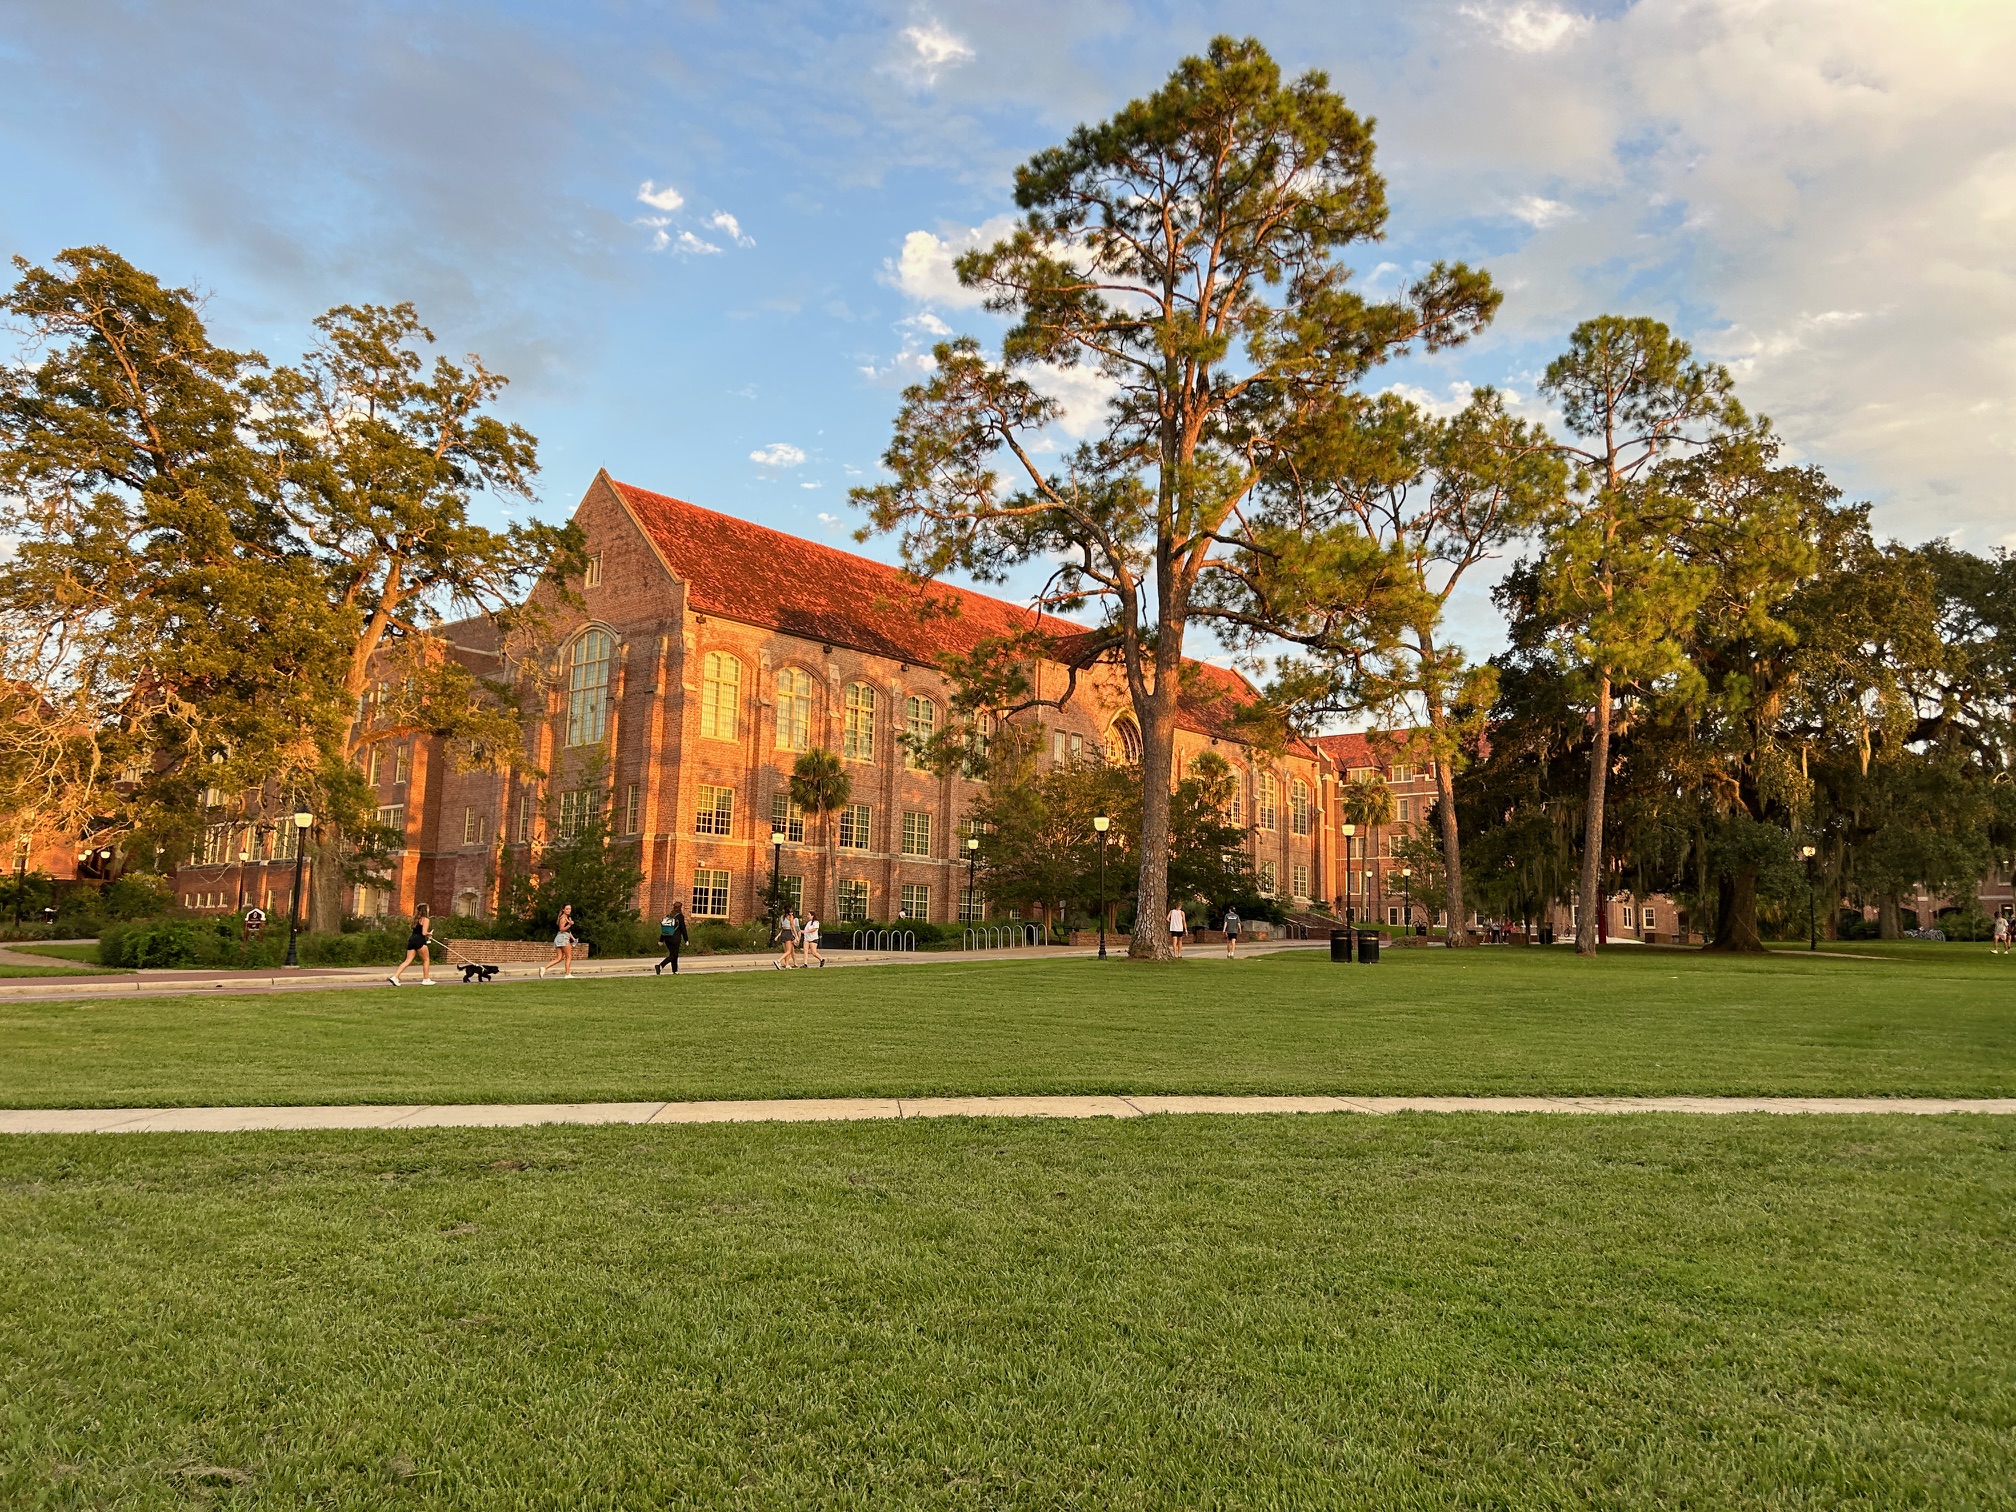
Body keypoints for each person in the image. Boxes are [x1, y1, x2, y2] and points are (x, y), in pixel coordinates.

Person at [388, 904, 436, 986]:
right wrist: (429, 934)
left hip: (412, 939)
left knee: (408, 960)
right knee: (426, 959)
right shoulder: (426, 919)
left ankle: (395, 977)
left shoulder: (415, 919)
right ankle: (426, 979)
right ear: (425, 910)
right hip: (420, 940)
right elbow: (424, 932)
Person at [539, 904, 576, 979]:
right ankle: (567, 974)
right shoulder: (563, 918)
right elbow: (562, 929)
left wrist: (573, 939)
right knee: (569, 956)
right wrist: (569, 924)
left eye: (570, 909)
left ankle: (544, 968)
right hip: (563, 938)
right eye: (567, 909)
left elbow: (568, 931)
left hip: (560, 938)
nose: (569, 910)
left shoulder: (567, 918)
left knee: (559, 958)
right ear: (563, 910)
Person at [656, 903, 689, 975]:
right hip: (675, 939)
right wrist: (686, 939)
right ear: (680, 908)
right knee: (674, 955)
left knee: (673, 954)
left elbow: (664, 929)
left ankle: (675, 970)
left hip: (667, 938)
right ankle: (660, 966)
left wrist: (661, 940)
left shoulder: (669, 916)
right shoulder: (680, 917)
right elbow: (683, 929)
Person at [774, 906, 799, 970]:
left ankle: (787, 964)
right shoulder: (790, 917)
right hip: (788, 932)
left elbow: (780, 926)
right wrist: (796, 936)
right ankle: (778, 960)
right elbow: (793, 927)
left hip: (783, 933)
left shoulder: (782, 917)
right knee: (789, 951)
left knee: (786, 950)